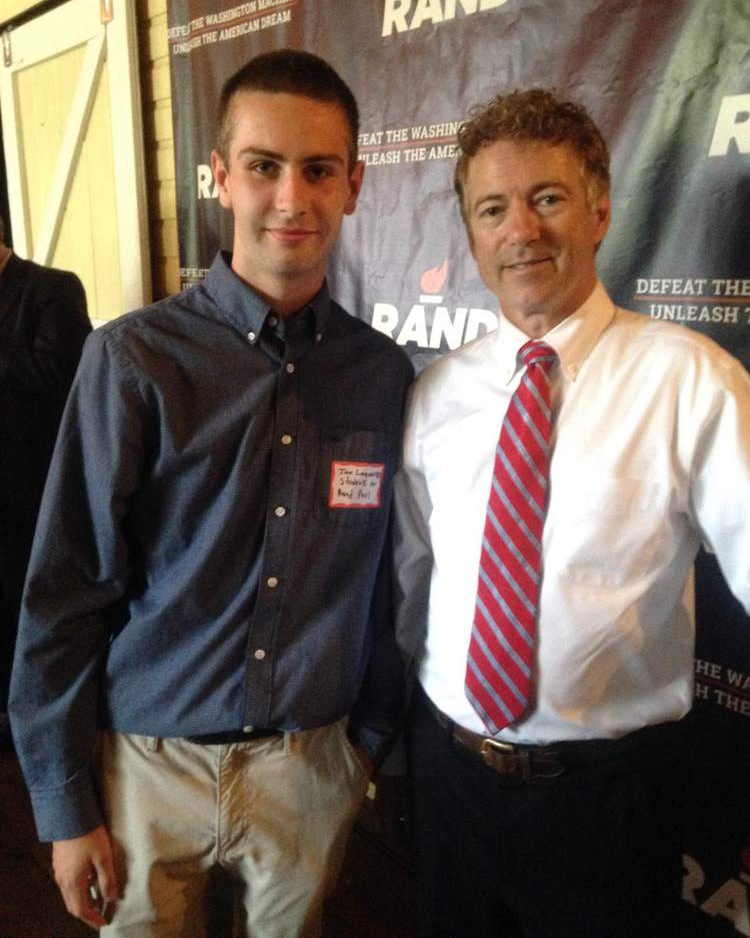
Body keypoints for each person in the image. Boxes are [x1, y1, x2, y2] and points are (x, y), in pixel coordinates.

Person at [10, 50, 413, 937]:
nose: (290, 199)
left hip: (310, 769)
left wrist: (363, 752)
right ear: (221, 177)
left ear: (353, 183)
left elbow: (392, 581)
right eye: (264, 167)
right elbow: (65, 592)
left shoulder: (380, 376)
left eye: (317, 170)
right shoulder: (132, 361)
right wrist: (65, 806)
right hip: (147, 773)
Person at [394, 88, 750, 937]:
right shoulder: (437, 393)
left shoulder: (691, 382)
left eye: (547, 198)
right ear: (474, 238)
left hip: (609, 803)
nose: (521, 229)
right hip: (449, 785)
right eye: (493, 208)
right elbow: (413, 578)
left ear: (599, 211)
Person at [0, 217, 90, 739]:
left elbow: (63, 373)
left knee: (32, 614)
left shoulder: (51, 288)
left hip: (34, 490)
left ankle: (39, 724)